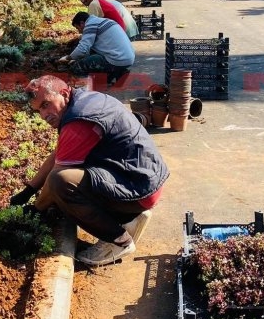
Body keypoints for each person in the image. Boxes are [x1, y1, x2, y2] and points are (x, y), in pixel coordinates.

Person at [9, 75, 169, 266]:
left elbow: (55, 179)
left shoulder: (79, 120)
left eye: (46, 105)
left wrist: (35, 210)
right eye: (38, 110)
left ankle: (118, 241)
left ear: (64, 93)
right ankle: (130, 218)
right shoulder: (83, 101)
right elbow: (59, 153)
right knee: (61, 184)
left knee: (61, 183)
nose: (44, 115)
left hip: (140, 190)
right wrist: (29, 190)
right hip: (142, 179)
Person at [59, 12, 135, 85]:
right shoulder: (101, 21)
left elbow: (83, 49)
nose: (79, 31)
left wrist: (69, 58)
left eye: (77, 28)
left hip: (117, 59)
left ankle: (84, 87)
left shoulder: (90, 24)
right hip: (127, 58)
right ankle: (119, 72)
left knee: (78, 67)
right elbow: (90, 49)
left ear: (82, 23)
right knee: (100, 78)